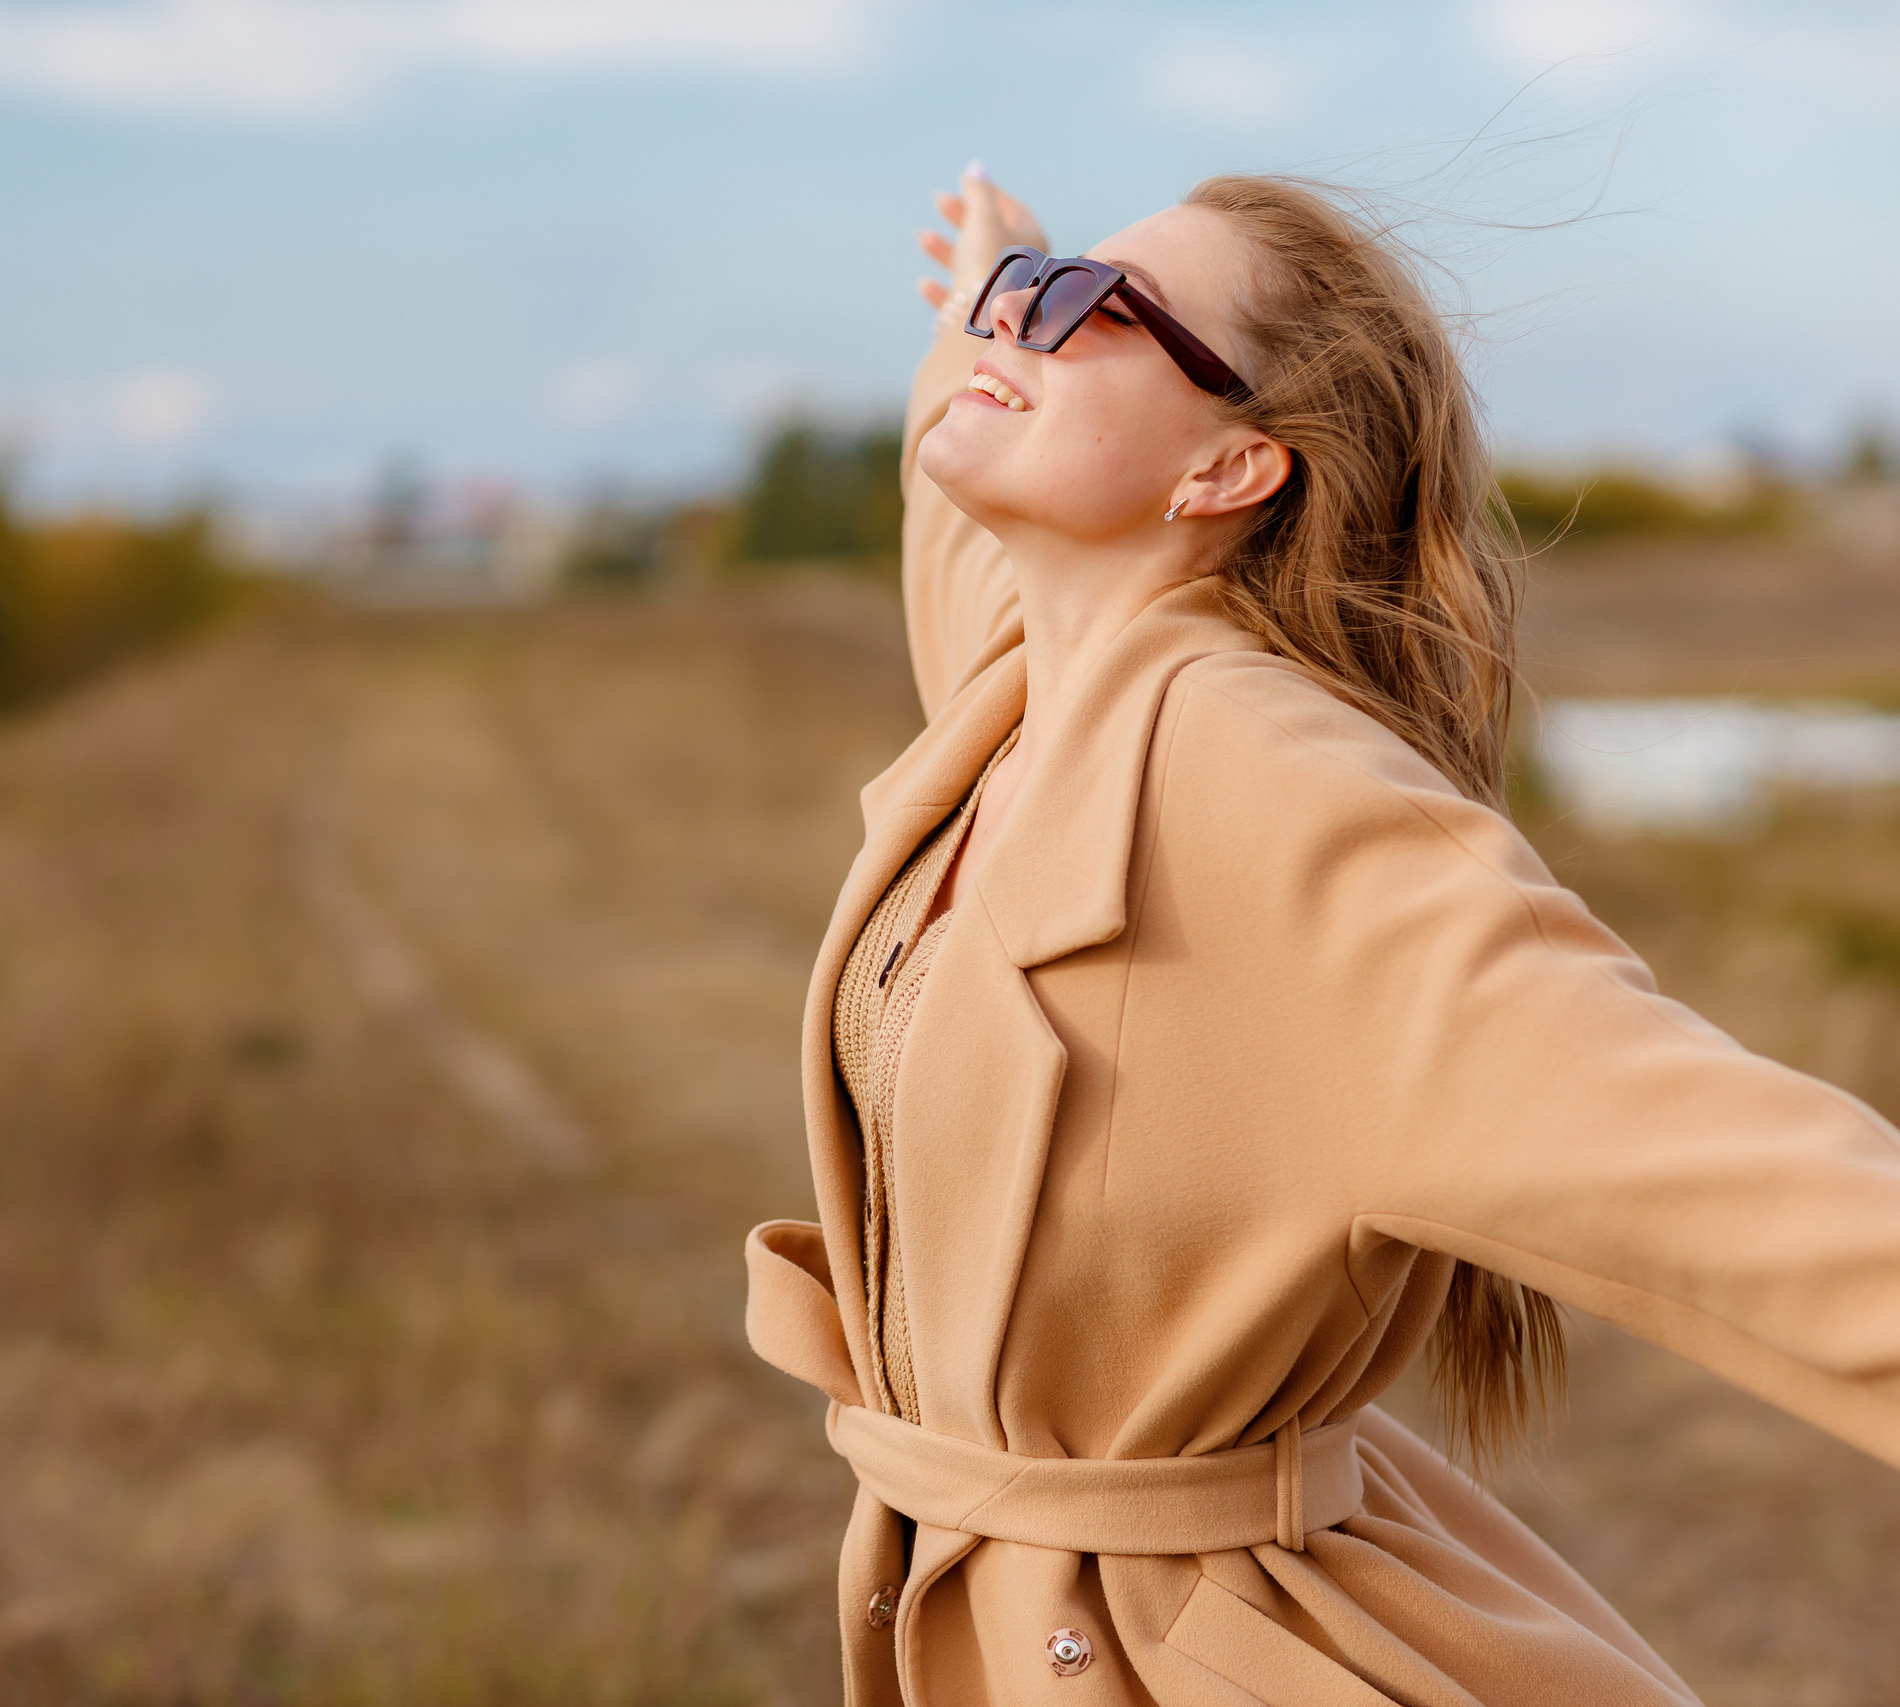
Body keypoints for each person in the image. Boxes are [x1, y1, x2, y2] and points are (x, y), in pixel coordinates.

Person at [740, 164, 1900, 1706]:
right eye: (1026, 303)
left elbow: (1772, 1201)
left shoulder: (1289, 802)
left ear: (1227, 470)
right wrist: (995, 282)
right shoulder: (1028, 679)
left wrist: (1008, 307)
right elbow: (953, 519)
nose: (1020, 327)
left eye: (1089, 302)